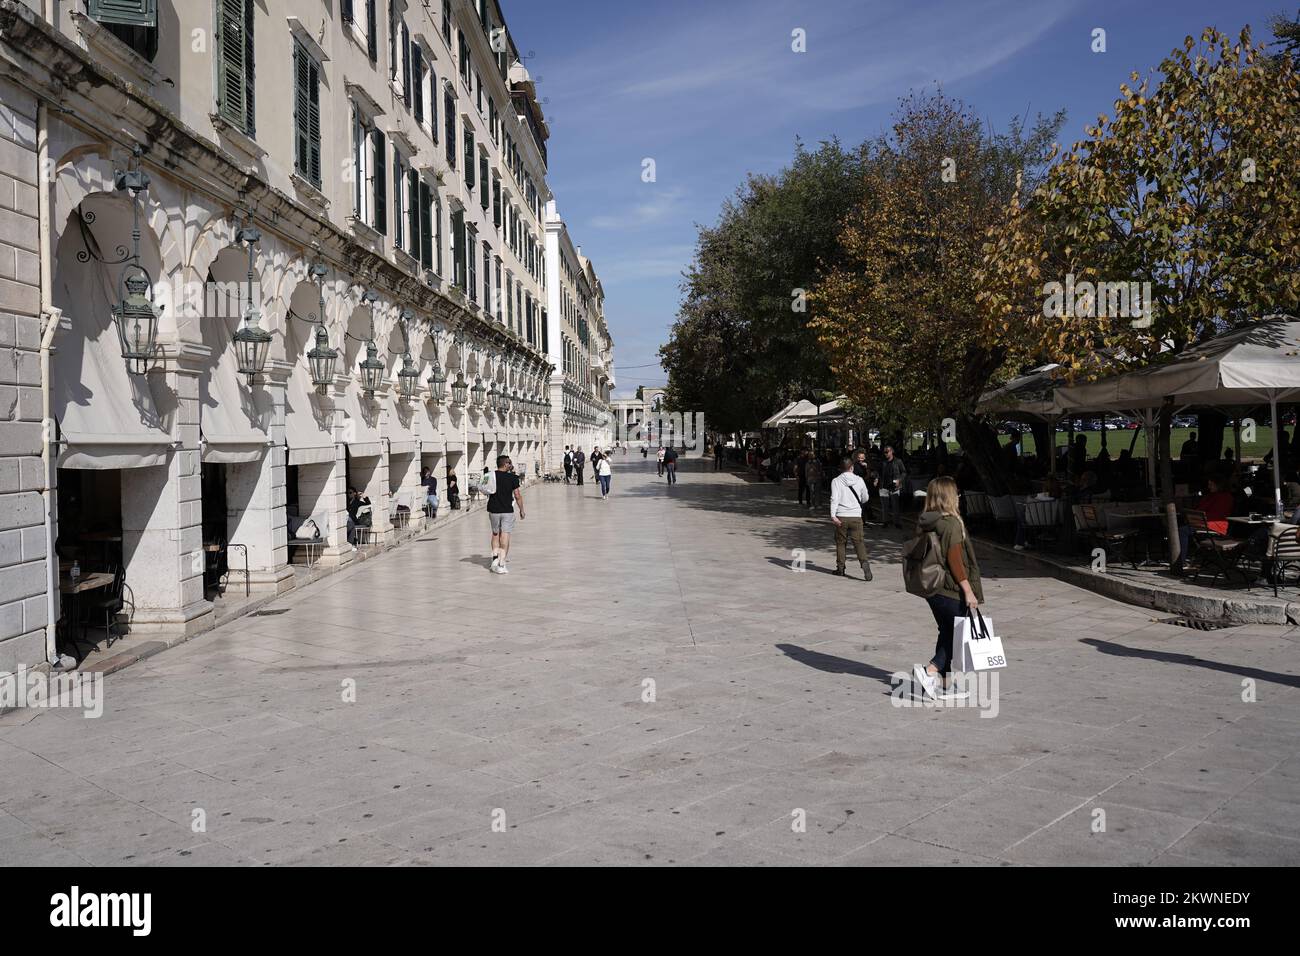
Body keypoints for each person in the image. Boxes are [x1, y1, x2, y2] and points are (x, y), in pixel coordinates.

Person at [913, 476, 983, 700]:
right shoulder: (951, 523)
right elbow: (954, 560)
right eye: (956, 493)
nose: (959, 497)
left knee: (947, 631)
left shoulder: (928, 520)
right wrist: (969, 591)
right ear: (948, 496)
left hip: (932, 588)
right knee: (954, 635)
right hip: (950, 588)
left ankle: (944, 683)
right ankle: (930, 671)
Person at [1174, 474, 1235, 575]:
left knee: (1183, 531)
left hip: (1215, 525)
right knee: (1180, 527)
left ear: (1219, 485)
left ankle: (1181, 561)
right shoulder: (1210, 496)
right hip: (1203, 523)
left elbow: (1217, 514)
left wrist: (1196, 517)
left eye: (1211, 484)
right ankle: (1181, 559)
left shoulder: (1225, 497)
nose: (1209, 486)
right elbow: (1199, 509)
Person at [829, 456, 873, 580]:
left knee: (841, 543)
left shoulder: (836, 481)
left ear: (841, 469)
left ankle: (841, 568)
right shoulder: (859, 480)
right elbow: (865, 497)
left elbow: (834, 499)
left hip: (841, 516)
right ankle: (864, 564)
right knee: (859, 543)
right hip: (856, 516)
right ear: (852, 467)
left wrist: (833, 515)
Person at [485, 455, 525, 574]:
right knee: (505, 535)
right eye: (509, 463)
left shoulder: (491, 476)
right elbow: (517, 495)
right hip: (507, 510)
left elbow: (484, 489)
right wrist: (521, 509)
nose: (510, 465)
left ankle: (495, 559)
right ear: (505, 464)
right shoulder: (512, 478)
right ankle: (502, 563)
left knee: (495, 534)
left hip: (493, 509)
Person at [877, 444, 907, 528]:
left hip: (894, 487)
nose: (885, 453)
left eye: (887, 452)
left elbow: (904, 472)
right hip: (883, 486)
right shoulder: (882, 462)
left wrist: (899, 480)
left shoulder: (898, 461)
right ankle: (885, 521)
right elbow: (878, 472)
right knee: (884, 506)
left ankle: (896, 522)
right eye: (884, 452)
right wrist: (876, 479)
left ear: (892, 452)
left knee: (895, 506)